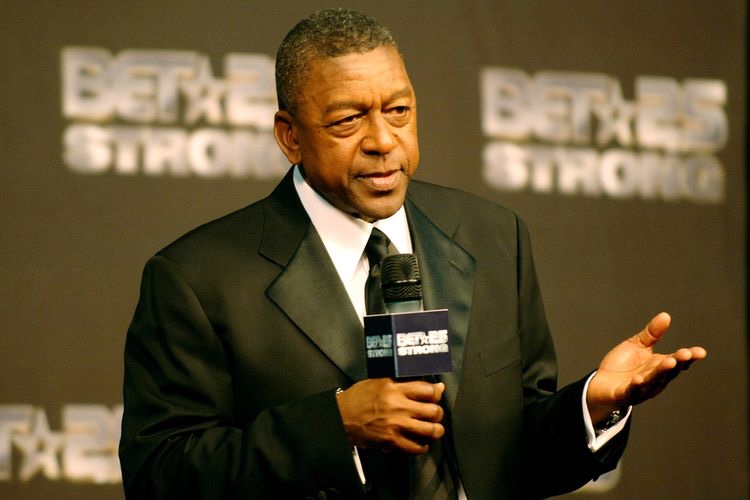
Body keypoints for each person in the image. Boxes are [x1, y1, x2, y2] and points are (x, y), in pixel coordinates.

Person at [119, 8, 706, 499]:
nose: (382, 140)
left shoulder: (493, 236)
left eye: (398, 111)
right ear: (290, 136)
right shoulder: (198, 278)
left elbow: (512, 451)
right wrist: (337, 427)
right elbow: (159, 474)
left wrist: (591, 405)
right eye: (348, 119)